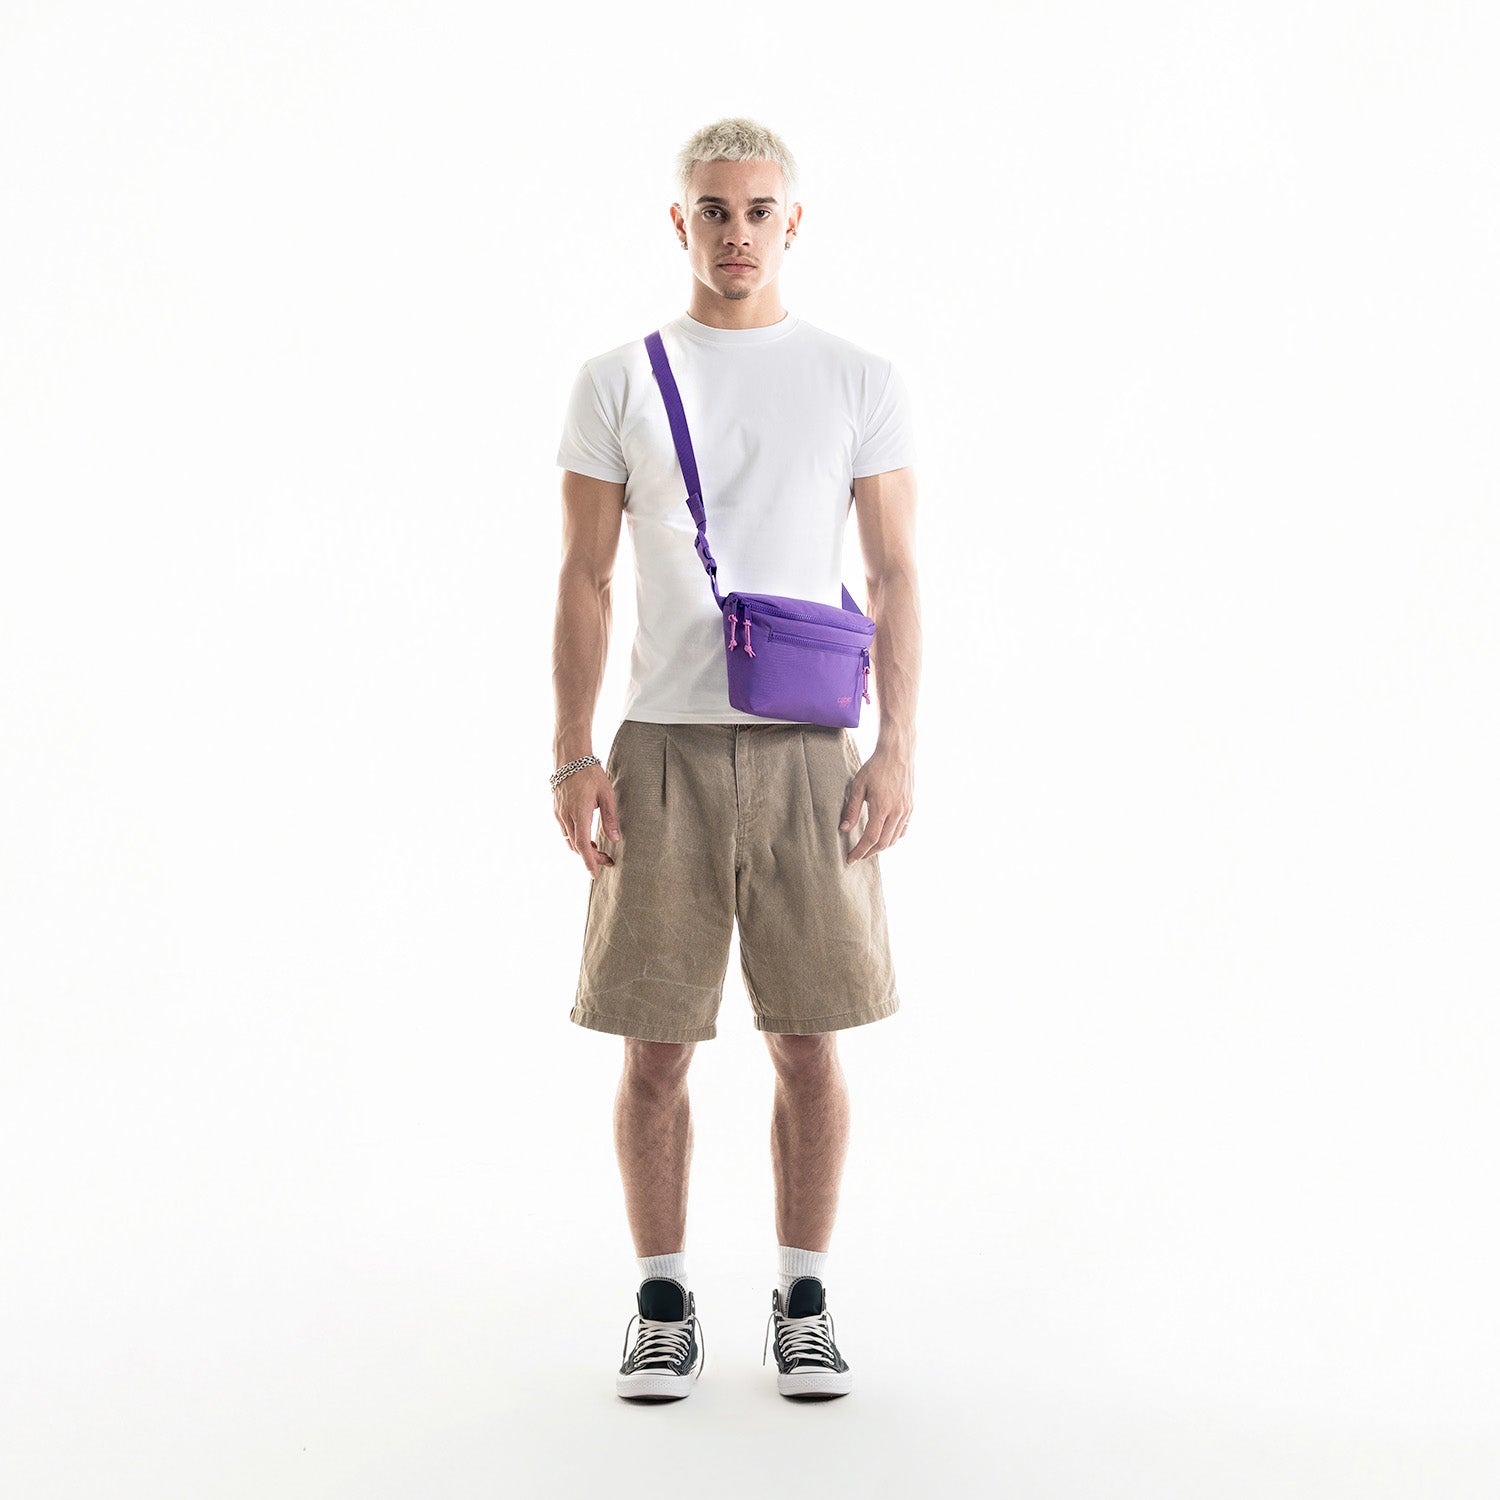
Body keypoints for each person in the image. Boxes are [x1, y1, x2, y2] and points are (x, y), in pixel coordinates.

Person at [550, 117, 921, 1403]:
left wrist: (898, 747)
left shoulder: (858, 376)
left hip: (813, 747)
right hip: (661, 746)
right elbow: (584, 578)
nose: (737, 233)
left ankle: (802, 1299)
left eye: (760, 210)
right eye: (713, 210)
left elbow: (896, 573)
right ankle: (662, 1304)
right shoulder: (619, 378)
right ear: (680, 222)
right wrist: (570, 754)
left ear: (794, 222)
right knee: (654, 1046)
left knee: (809, 1042)